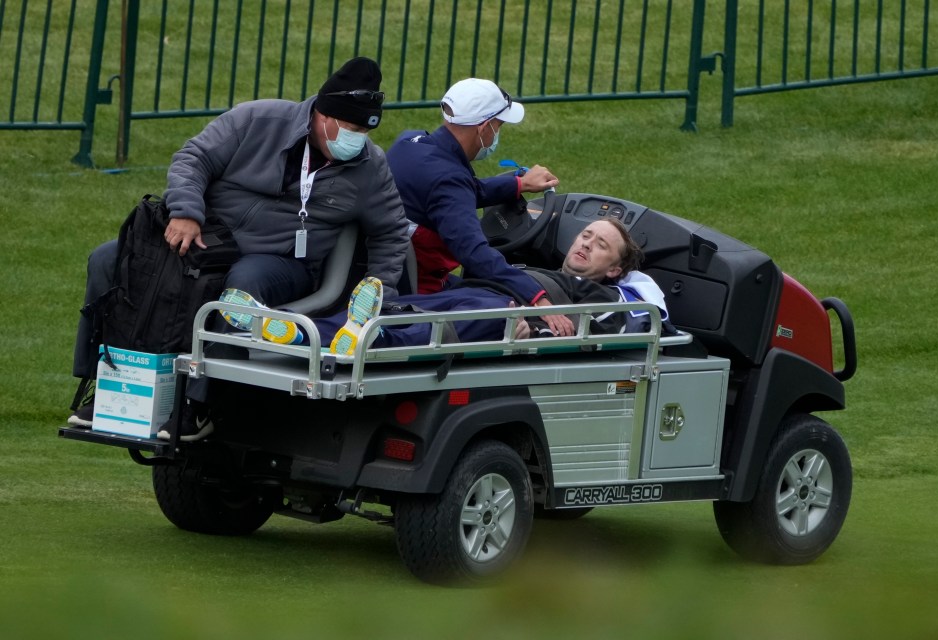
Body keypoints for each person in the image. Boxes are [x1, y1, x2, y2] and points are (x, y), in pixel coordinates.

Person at [68, 56, 409, 430]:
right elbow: (193, 158)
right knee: (108, 259)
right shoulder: (257, 120)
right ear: (322, 115)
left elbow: (391, 231)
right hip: (209, 239)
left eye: (365, 130)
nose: (357, 139)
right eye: (351, 127)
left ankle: (198, 406)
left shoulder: (370, 166)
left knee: (243, 281)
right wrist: (186, 211)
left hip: (282, 262)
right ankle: (104, 388)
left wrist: (380, 293)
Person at [220, 219, 670, 356]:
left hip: (503, 316)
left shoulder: (603, 296)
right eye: (586, 236)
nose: (586, 244)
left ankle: (349, 338)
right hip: (476, 291)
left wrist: (541, 331)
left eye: (601, 245)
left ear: (615, 269)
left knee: (422, 327)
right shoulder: (539, 267)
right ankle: (295, 331)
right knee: (390, 309)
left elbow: (606, 328)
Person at [385, 77, 574, 337]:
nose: (497, 133)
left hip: (390, 276)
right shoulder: (449, 180)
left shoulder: (409, 143)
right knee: (501, 306)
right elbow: (474, 252)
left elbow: (458, 192)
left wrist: (518, 184)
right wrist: (538, 297)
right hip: (418, 293)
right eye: (498, 126)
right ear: (484, 128)